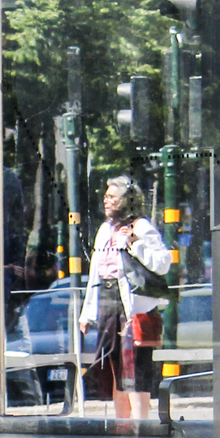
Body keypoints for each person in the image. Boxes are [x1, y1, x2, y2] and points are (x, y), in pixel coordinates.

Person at [80, 174, 171, 424]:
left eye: (111, 196)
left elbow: (163, 263)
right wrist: (87, 313)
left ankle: (141, 429)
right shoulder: (104, 229)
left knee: (135, 375)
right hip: (108, 304)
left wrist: (134, 245)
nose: (105, 200)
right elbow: (94, 274)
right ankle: (122, 428)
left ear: (126, 200)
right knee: (116, 374)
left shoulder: (140, 226)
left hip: (132, 309)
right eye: (106, 195)